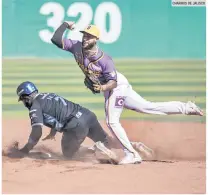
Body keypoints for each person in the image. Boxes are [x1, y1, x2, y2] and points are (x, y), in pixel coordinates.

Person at [51, 21, 203, 164]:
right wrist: (65, 24)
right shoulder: (76, 47)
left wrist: (101, 88)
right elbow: (56, 40)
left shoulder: (104, 60)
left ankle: (131, 154)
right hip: (113, 86)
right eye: (84, 35)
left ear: (96, 39)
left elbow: (113, 82)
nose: (85, 38)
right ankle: (187, 107)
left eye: (89, 36)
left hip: (115, 86)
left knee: (112, 121)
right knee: (148, 107)